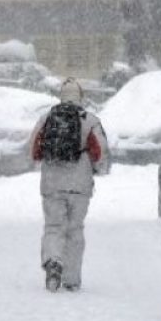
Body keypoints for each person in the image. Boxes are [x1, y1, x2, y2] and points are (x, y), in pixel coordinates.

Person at [29, 78, 109, 292]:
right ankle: (72, 279)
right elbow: (99, 151)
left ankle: (53, 261)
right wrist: (97, 169)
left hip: (52, 183)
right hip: (79, 185)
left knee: (54, 227)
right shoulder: (90, 120)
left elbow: (34, 150)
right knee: (75, 230)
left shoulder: (46, 119)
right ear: (80, 97)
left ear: (61, 96)